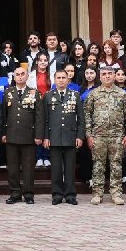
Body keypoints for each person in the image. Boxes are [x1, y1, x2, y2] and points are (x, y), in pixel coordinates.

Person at [85, 64, 126, 206]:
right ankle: (97, 193)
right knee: (98, 165)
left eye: (110, 74)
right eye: (104, 74)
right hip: (98, 136)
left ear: (114, 76)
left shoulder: (123, 94)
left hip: (117, 136)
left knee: (116, 165)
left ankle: (116, 193)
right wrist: (89, 135)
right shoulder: (93, 94)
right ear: (100, 77)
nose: (107, 76)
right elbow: (87, 115)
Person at [1, 67, 42, 203]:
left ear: (27, 76)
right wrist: (3, 133)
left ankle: (28, 194)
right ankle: (15, 193)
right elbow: (3, 115)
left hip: (29, 135)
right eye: (17, 74)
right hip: (11, 134)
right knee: (12, 167)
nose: (19, 77)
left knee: (28, 167)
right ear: (14, 77)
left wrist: (38, 135)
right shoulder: (8, 93)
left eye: (22, 74)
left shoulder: (34, 93)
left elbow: (39, 116)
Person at [42, 69, 83, 205]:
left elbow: (81, 120)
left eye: (63, 77)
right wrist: (46, 137)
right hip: (54, 137)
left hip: (71, 136)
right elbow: (45, 119)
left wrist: (80, 136)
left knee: (70, 168)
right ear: (54, 80)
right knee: (56, 169)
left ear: (68, 79)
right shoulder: (48, 96)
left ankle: (71, 195)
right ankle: (57, 194)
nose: (61, 80)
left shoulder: (75, 95)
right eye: (58, 77)